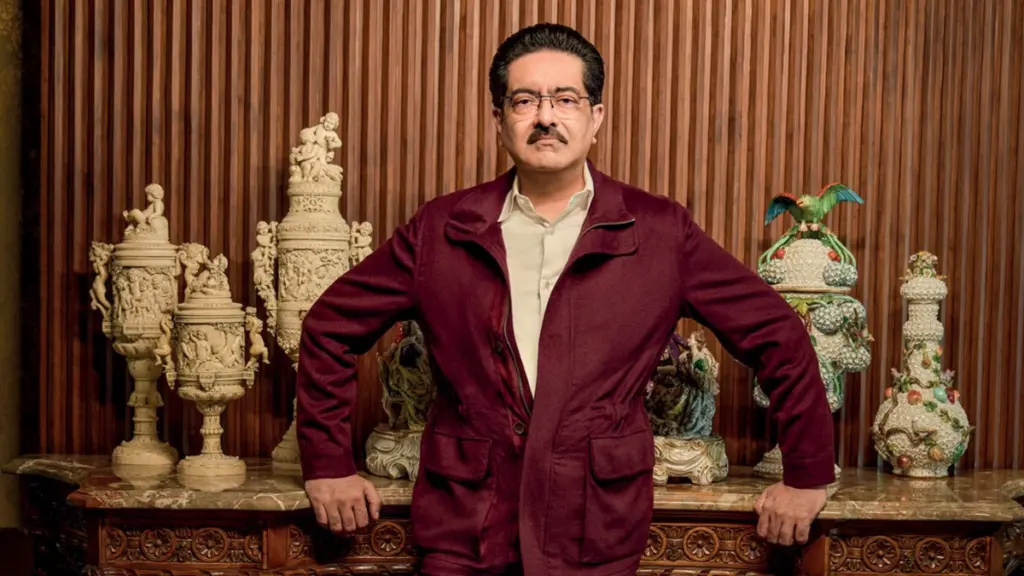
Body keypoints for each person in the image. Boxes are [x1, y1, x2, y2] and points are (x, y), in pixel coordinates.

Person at [296, 23, 834, 576]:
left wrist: (807, 473)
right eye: (525, 100)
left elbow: (778, 336)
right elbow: (330, 327)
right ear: (499, 120)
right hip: (466, 527)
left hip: (595, 529)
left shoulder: (659, 231)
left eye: (566, 99)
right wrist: (328, 462)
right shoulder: (442, 228)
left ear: (596, 118)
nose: (545, 116)